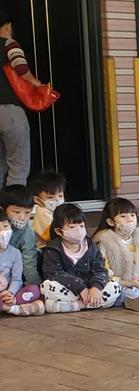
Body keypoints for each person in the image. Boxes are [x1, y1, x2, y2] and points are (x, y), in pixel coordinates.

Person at [39, 204, 121, 313]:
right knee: (47, 286)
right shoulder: (53, 249)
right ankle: (93, 304)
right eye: (72, 227)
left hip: (90, 289)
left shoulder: (91, 246)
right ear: (59, 231)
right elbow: (53, 273)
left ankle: (74, 306)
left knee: (115, 287)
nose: (78, 230)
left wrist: (96, 287)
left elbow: (100, 269)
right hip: (69, 289)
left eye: (81, 226)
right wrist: (80, 287)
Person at [0, 11, 45, 186]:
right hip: (9, 112)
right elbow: (20, 66)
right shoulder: (9, 44)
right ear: (7, 26)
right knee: (18, 166)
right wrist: (35, 82)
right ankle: (16, 202)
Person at [0, 211, 42, 315]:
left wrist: (10, 293)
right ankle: (12, 309)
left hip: (8, 292)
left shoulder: (15, 253)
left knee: (34, 290)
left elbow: (17, 279)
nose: (2, 232)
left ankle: (13, 303)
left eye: (5, 226)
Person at [2, 184, 37, 284]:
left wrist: (35, 285)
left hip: (13, 273)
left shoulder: (26, 231)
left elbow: (29, 260)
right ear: (2, 209)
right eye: (17, 212)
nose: (22, 217)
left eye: (27, 212)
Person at [28, 172, 65, 249]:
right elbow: (52, 236)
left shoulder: (54, 211)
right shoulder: (42, 212)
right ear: (37, 200)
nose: (57, 200)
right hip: (44, 248)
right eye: (50, 197)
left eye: (60, 196)